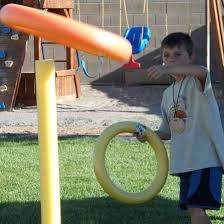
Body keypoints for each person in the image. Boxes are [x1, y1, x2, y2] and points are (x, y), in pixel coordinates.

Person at [135, 32, 224, 224]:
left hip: (205, 159)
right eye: (167, 55)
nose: (171, 59)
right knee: (194, 211)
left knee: (196, 210)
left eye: (178, 54)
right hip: (185, 163)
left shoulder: (198, 82)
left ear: (190, 57)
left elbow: (201, 71)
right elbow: (167, 132)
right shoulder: (168, 94)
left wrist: (166, 69)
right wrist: (148, 135)